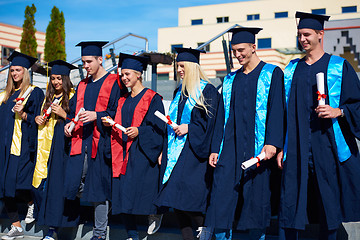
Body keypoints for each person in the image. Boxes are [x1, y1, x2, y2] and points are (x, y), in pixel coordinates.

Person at [278, 12, 360, 240]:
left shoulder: (339, 66)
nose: (302, 39)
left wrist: (339, 111)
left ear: (320, 34)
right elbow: (283, 113)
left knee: (328, 202)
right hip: (296, 147)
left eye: (307, 34)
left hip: (327, 145)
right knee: (291, 202)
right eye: (299, 35)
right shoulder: (291, 70)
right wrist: (282, 145)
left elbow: (358, 104)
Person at [204, 27, 285, 240]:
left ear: (253, 47)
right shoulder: (230, 80)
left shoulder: (272, 73)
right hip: (230, 147)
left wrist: (273, 143)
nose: (237, 55)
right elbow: (221, 115)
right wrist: (215, 147)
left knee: (257, 200)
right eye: (234, 51)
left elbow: (277, 110)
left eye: (241, 50)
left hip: (258, 147)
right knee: (221, 198)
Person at [63, 41, 127, 240]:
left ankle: (99, 234)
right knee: (74, 184)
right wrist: (68, 122)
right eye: (83, 62)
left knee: (98, 188)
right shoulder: (82, 85)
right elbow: (74, 111)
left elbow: (118, 111)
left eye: (89, 61)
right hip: (80, 142)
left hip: (102, 144)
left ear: (100, 60)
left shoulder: (114, 82)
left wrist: (97, 116)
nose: (86, 66)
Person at [155, 47, 219, 240]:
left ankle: (207, 234)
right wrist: (163, 150)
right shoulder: (178, 92)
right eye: (178, 66)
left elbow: (212, 124)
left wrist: (189, 128)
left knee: (191, 203)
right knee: (177, 203)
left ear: (192, 67)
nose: (179, 69)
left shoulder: (208, 91)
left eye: (182, 66)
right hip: (176, 154)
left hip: (195, 156)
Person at [103, 53, 165, 240]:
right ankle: (131, 234)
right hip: (122, 151)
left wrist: (140, 131)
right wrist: (110, 122)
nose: (124, 78)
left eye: (128, 74)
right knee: (122, 194)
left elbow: (158, 127)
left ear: (139, 74)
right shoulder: (123, 99)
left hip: (143, 151)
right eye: (122, 74)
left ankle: (154, 213)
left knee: (144, 189)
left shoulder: (152, 98)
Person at [33, 60, 79, 240]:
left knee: (60, 189)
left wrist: (64, 114)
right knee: (42, 187)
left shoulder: (74, 97)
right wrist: (38, 119)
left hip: (64, 150)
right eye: (53, 78)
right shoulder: (48, 98)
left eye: (59, 78)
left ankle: (55, 229)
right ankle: (50, 227)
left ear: (66, 79)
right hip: (47, 149)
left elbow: (76, 121)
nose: (55, 82)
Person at [0, 51, 44, 240]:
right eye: (12, 70)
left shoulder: (34, 92)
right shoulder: (4, 95)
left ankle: (30, 201)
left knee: (19, 183)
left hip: (22, 146)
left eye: (18, 70)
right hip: (3, 147)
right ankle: (16, 225)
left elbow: (40, 121)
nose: (14, 73)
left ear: (25, 71)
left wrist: (24, 114)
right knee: (2, 186)